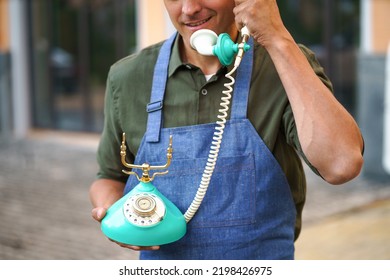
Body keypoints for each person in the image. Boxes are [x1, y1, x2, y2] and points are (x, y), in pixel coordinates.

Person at [89, 0, 364, 260]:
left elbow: (341, 164)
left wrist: (277, 37)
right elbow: (109, 176)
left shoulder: (283, 65)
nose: (189, 9)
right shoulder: (128, 77)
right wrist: (117, 215)